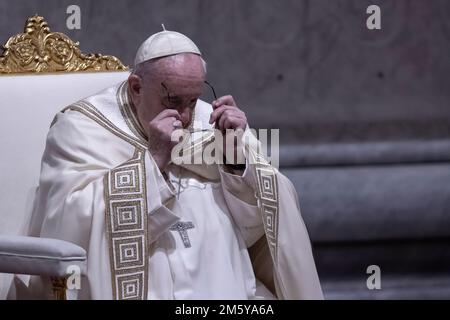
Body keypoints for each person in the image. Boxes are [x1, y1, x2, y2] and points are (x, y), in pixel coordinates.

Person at [29, 28, 323, 300]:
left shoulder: (212, 122)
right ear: (136, 87)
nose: (184, 116)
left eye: (192, 101)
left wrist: (235, 161)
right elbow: (67, 221)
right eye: (172, 100)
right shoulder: (82, 128)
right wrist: (155, 158)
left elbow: (256, 226)